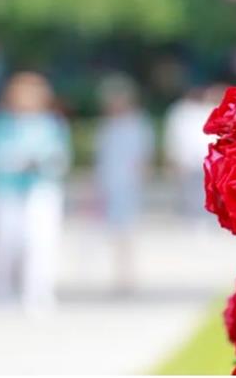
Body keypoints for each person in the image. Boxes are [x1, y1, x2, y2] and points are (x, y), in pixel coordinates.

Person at [0, 72, 71, 313]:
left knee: (42, 242)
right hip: (7, 190)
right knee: (5, 242)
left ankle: (38, 293)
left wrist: (42, 163)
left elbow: (60, 157)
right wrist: (15, 162)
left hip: (41, 188)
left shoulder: (52, 125)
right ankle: (2, 290)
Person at [93, 75, 154, 288]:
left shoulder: (137, 124)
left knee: (127, 229)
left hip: (128, 184)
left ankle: (127, 273)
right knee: (113, 230)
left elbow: (143, 155)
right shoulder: (107, 126)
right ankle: (118, 272)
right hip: (110, 183)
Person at [163, 86, 216, 220]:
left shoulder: (207, 108)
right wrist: (174, 157)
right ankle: (191, 221)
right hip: (187, 161)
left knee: (208, 193)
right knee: (189, 193)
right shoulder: (180, 111)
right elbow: (174, 136)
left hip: (207, 161)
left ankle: (206, 220)